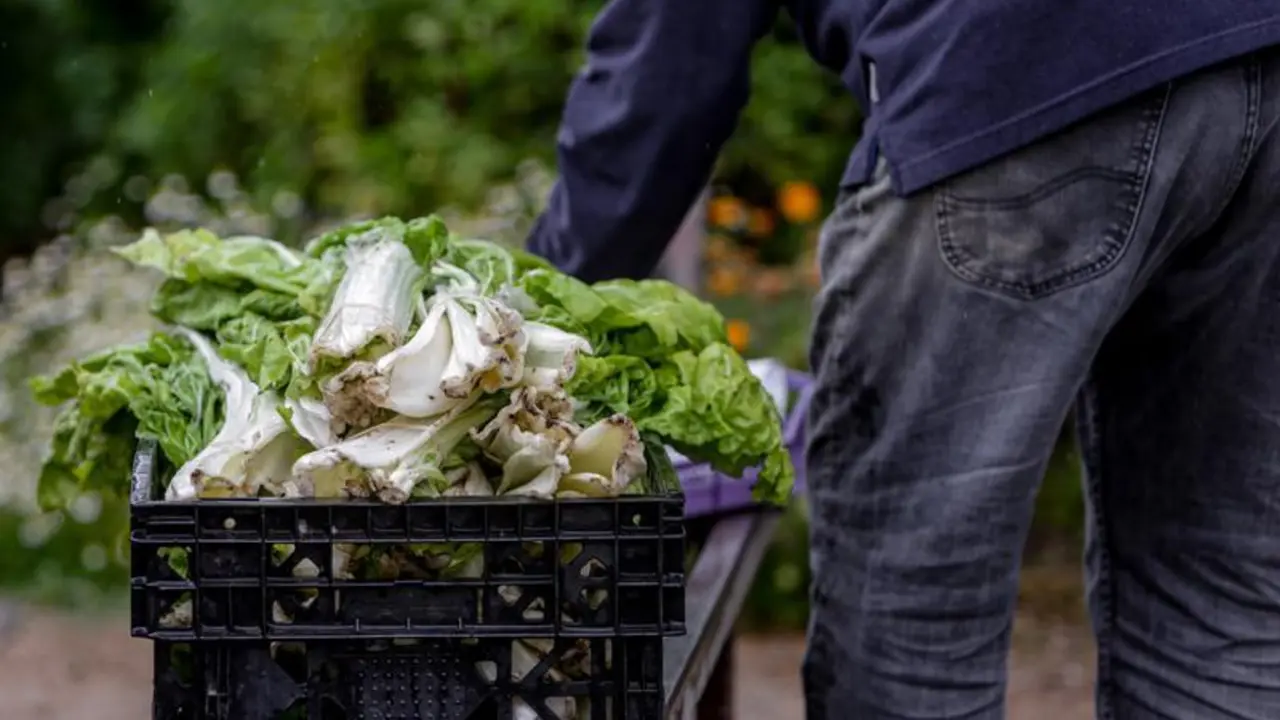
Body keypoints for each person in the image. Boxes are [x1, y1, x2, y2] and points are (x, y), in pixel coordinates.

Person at [526, 2, 1280, 718]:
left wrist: (536, 325)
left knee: (913, 610)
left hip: (1017, 62)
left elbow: (669, 60)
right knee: (1217, 600)